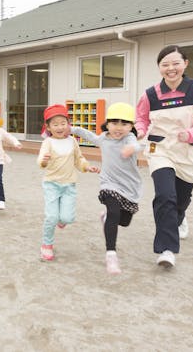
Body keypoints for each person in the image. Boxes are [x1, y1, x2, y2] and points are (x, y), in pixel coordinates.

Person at [135, 45, 193, 268]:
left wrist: (189, 134)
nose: (171, 68)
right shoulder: (150, 94)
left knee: (180, 199)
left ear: (185, 64)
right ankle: (167, 249)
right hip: (161, 149)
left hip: (190, 150)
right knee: (165, 196)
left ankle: (179, 217)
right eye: (165, 64)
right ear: (159, 68)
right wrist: (140, 130)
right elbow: (141, 119)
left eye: (175, 63)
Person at [71, 103, 144, 275]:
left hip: (129, 187)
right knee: (114, 212)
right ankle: (111, 254)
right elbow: (90, 136)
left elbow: (138, 145)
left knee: (124, 221)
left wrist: (131, 148)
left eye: (124, 124)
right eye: (114, 123)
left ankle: (106, 218)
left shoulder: (129, 139)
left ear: (131, 126)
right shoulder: (104, 138)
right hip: (109, 183)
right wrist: (73, 129)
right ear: (107, 124)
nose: (119, 128)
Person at [37, 104, 98, 261]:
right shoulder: (48, 143)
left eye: (63, 123)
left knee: (67, 218)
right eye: (55, 124)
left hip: (69, 186)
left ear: (68, 124)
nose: (59, 127)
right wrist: (43, 161)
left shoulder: (72, 141)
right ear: (48, 127)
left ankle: (62, 221)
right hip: (51, 184)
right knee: (51, 217)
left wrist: (87, 166)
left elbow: (79, 159)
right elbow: (40, 161)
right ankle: (46, 245)